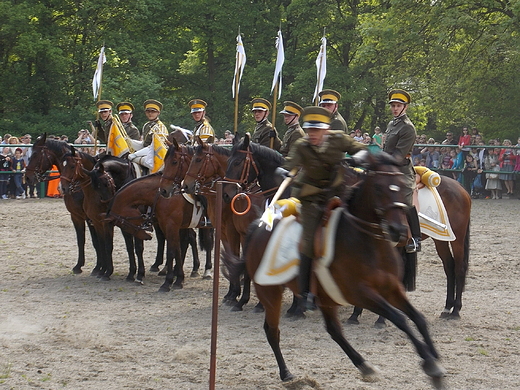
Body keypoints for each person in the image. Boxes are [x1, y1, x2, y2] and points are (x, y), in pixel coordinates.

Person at [282, 106, 366, 309]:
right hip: (312, 197)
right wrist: (282, 171)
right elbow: (290, 163)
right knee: (310, 241)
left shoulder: (339, 138)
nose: (312, 135)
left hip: (338, 194)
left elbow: (361, 149)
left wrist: (358, 158)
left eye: (316, 131)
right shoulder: (302, 145)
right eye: (309, 131)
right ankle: (306, 291)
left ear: (326, 129)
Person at [383, 89, 422, 253]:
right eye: (393, 106)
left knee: (406, 200)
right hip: (387, 166)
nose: (395, 109)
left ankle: (415, 238)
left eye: (398, 106)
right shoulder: (392, 124)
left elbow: (399, 156)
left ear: (405, 107)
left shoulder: (408, 128)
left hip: (402, 169)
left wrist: (381, 162)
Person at [128, 99, 169, 170]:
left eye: (153, 111)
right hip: (147, 152)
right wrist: (128, 141)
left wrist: (135, 154)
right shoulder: (146, 125)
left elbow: (155, 148)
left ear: (158, 113)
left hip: (158, 156)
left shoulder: (160, 127)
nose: (150, 114)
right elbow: (144, 144)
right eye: (148, 111)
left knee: (133, 159)